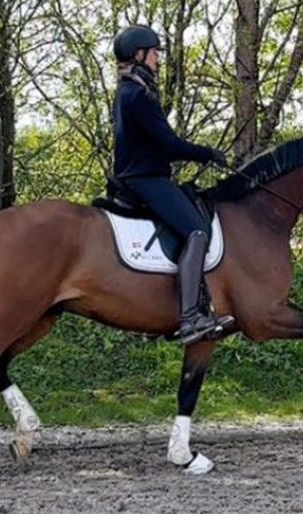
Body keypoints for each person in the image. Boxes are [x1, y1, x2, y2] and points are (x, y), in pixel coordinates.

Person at [111, 24, 234, 345]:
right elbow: (167, 143)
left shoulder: (128, 90)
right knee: (196, 230)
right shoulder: (138, 94)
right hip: (144, 179)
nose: (157, 60)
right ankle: (191, 317)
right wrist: (205, 153)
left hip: (139, 176)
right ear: (139, 54)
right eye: (153, 53)